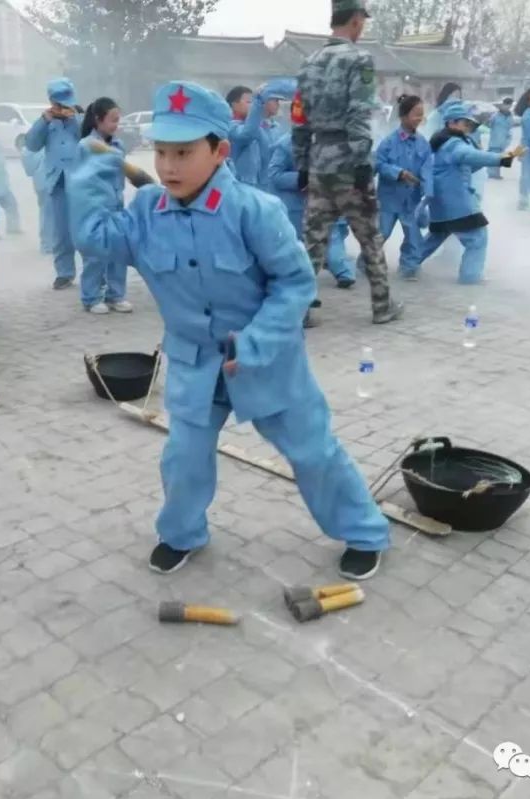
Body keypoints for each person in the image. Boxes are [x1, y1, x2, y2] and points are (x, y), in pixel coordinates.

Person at [69, 80, 391, 581]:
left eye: (183, 152)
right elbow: (94, 239)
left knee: (314, 452)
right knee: (184, 458)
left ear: (219, 151)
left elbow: (295, 283)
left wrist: (258, 341)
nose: (169, 165)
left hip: (265, 359)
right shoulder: (147, 213)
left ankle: (365, 531)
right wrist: (93, 173)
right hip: (195, 363)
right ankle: (181, 534)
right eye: (161, 152)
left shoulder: (254, 211)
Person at [293, 0, 403, 325]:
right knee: (369, 235)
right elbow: (359, 111)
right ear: (356, 20)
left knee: (313, 239)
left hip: (318, 161)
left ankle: (301, 310)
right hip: (348, 160)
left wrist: (301, 163)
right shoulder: (360, 59)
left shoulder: (308, 63)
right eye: (362, 21)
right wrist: (360, 162)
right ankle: (382, 306)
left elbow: (299, 119)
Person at [418, 103, 524, 284]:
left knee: (435, 237)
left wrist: (490, 159)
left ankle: (408, 264)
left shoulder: (443, 141)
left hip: (442, 201)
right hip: (457, 201)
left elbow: (470, 164)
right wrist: (504, 158)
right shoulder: (453, 144)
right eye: (464, 123)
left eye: (469, 124)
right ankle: (470, 277)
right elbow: (469, 156)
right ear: (451, 123)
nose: (468, 127)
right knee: (477, 238)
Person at [266, 132, 355, 287]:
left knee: (332, 240)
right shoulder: (286, 144)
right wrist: (302, 179)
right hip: (295, 207)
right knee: (297, 248)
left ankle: (343, 272)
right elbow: (274, 175)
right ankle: (300, 284)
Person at [76, 97, 134, 315]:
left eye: (118, 120)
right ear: (98, 120)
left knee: (118, 251)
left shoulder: (118, 145)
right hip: (93, 208)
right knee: (95, 255)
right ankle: (90, 297)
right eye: (112, 120)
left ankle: (116, 295)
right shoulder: (85, 146)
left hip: (116, 206)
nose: (116, 125)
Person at [25, 78, 82, 290]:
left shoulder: (81, 117)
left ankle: (95, 272)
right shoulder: (45, 122)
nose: (62, 108)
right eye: (58, 104)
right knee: (60, 231)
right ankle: (64, 272)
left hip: (81, 180)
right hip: (57, 181)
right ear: (51, 102)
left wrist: (75, 116)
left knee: (85, 228)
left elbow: (90, 136)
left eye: (65, 103)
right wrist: (44, 120)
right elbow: (31, 144)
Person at [373, 94, 432, 280]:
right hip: (389, 198)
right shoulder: (389, 142)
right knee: (381, 234)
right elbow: (379, 165)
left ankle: (409, 266)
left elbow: (428, 169)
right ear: (404, 116)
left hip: (411, 200)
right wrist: (399, 173)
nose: (419, 119)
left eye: (422, 115)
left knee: (413, 236)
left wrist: (428, 192)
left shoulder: (423, 144)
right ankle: (366, 262)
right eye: (416, 114)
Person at [226, 85, 268, 187]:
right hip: (237, 185)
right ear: (234, 105)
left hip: (257, 185)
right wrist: (258, 103)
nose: (252, 106)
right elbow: (246, 135)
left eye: (253, 102)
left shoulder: (257, 127)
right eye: (249, 102)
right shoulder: (229, 126)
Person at [21, 146, 54, 254]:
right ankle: (47, 245)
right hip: (50, 182)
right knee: (49, 214)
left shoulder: (30, 147)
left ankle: (47, 244)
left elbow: (29, 170)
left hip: (41, 183)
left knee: (46, 213)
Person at [487, 97, 513, 180]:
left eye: (509, 105)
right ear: (503, 104)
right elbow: (489, 125)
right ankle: (491, 174)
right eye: (506, 104)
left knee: (500, 157)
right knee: (493, 156)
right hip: (494, 140)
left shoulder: (510, 116)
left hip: (504, 141)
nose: (508, 107)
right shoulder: (495, 115)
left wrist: (508, 140)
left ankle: (496, 174)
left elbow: (510, 128)